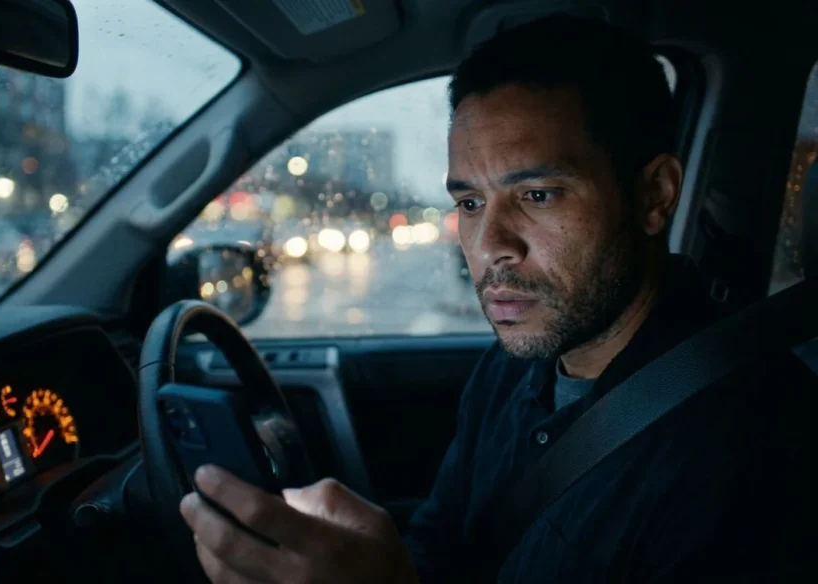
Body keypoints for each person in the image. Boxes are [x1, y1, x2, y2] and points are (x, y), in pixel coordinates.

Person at [178, 14, 815, 583]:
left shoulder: (755, 451)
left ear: (653, 196)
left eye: (538, 195)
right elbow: (441, 547)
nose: (491, 247)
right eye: (470, 204)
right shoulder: (513, 368)